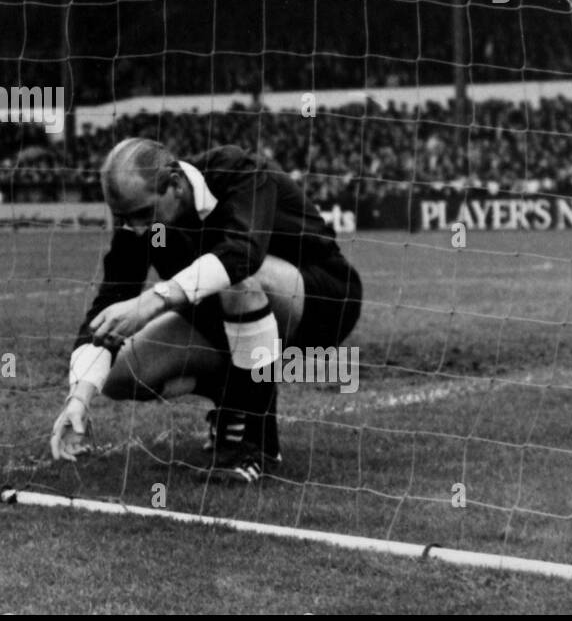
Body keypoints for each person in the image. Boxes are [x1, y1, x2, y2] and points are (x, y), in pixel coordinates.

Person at [50, 137, 362, 483]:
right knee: (120, 374)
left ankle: (256, 444)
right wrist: (79, 397)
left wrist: (152, 300)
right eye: (125, 217)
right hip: (221, 318)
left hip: (320, 302)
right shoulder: (141, 229)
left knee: (237, 280)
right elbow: (106, 306)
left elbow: (242, 254)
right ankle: (232, 396)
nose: (137, 227)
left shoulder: (238, 171)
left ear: (176, 185)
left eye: (142, 213)